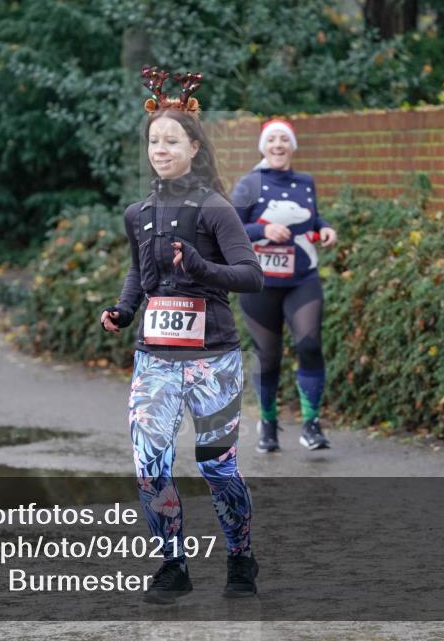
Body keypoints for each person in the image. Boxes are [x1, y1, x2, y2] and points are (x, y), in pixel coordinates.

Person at [100, 66, 264, 604]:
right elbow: (137, 273)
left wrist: (198, 266)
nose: (160, 149)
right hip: (155, 360)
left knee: (217, 467)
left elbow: (250, 276)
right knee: (149, 464)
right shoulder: (138, 212)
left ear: (194, 147)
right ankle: (173, 564)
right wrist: (124, 311)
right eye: (154, 141)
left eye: (172, 140)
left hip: (212, 360)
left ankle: (239, 555)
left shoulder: (217, 210)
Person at [231, 119, 337, 453]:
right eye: (272, 140)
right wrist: (263, 231)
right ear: (263, 147)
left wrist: (326, 228)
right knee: (269, 357)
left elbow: (312, 219)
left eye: (284, 140)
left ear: (292, 146)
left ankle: (311, 425)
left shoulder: (306, 182)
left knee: (309, 344)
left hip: (302, 277)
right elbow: (230, 230)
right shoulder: (249, 183)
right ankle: (268, 424)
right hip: (260, 281)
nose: (278, 145)